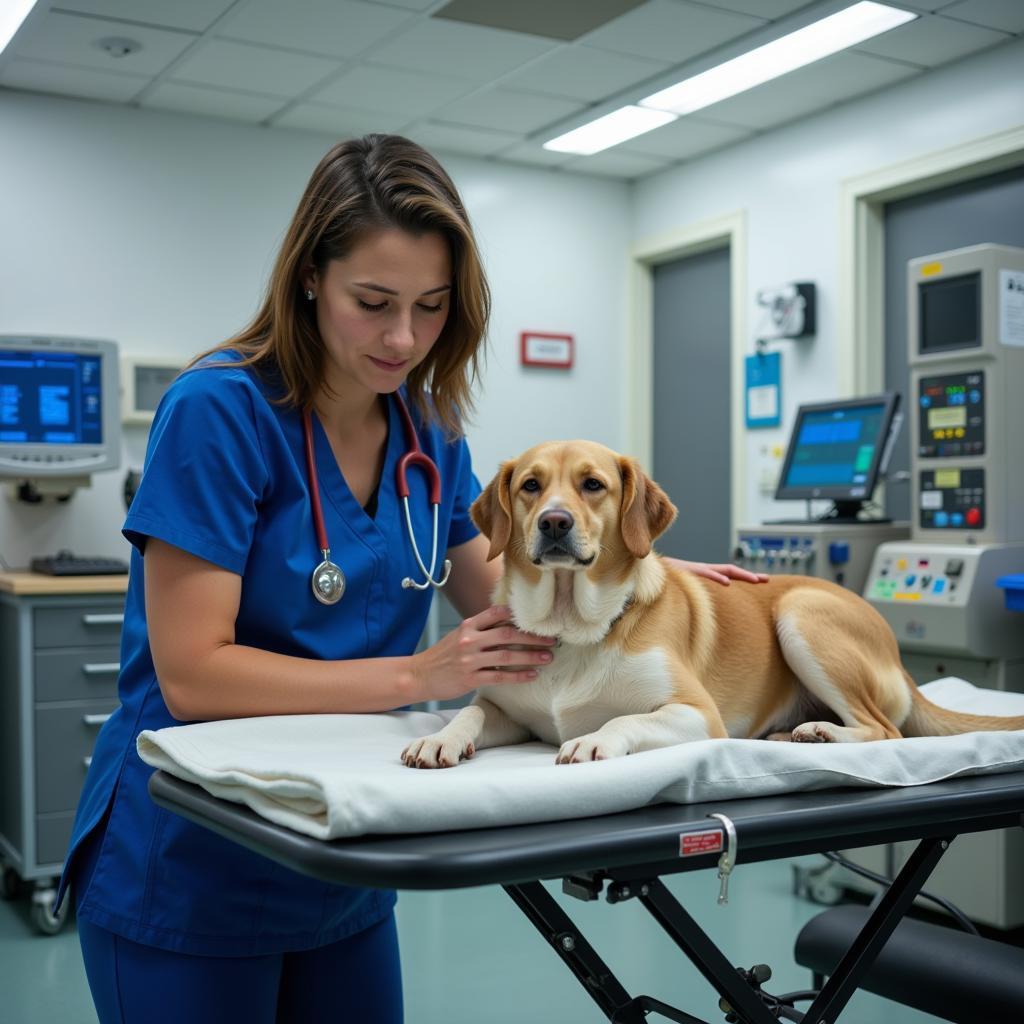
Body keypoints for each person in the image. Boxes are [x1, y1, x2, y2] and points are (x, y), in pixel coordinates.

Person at [58, 134, 766, 1024]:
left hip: (346, 843)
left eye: (431, 307)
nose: (403, 338)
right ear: (310, 276)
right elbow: (193, 676)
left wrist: (628, 555)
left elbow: (497, 587)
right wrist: (419, 677)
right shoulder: (218, 411)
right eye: (374, 302)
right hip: (197, 853)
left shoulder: (428, 430)